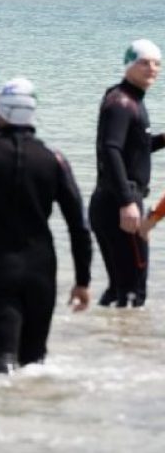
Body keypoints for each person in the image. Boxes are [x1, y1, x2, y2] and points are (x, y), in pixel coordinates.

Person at [0, 78, 91, 372]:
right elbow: (79, 224)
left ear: (0, 113)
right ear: (33, 115)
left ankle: (2, 416)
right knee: (34, 363)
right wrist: (82, 280)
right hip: (42, 271)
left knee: (1, 365)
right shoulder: (54, 159)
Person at [89, 39, 163, 307]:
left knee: (120, 290)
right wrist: (127, 202)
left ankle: (104, 343)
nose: (152, 69)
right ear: (129, 65)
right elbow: (110, 150)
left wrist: (162, 139)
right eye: (144, 63)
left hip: (112, 202)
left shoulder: (127, 99)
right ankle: (125, 344)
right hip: (120, 204)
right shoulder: (122, 103)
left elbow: (135, 150)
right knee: (133, 293)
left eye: (157, 63)